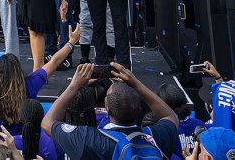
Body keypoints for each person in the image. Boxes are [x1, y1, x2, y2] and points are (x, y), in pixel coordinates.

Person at [44, 62, 180, 160]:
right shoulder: (154, 137)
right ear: (139, 108)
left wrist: (74, 86)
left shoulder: (92, 140)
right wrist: (136, 84)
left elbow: (47, 122)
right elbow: (170, 116)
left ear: (107, 108)